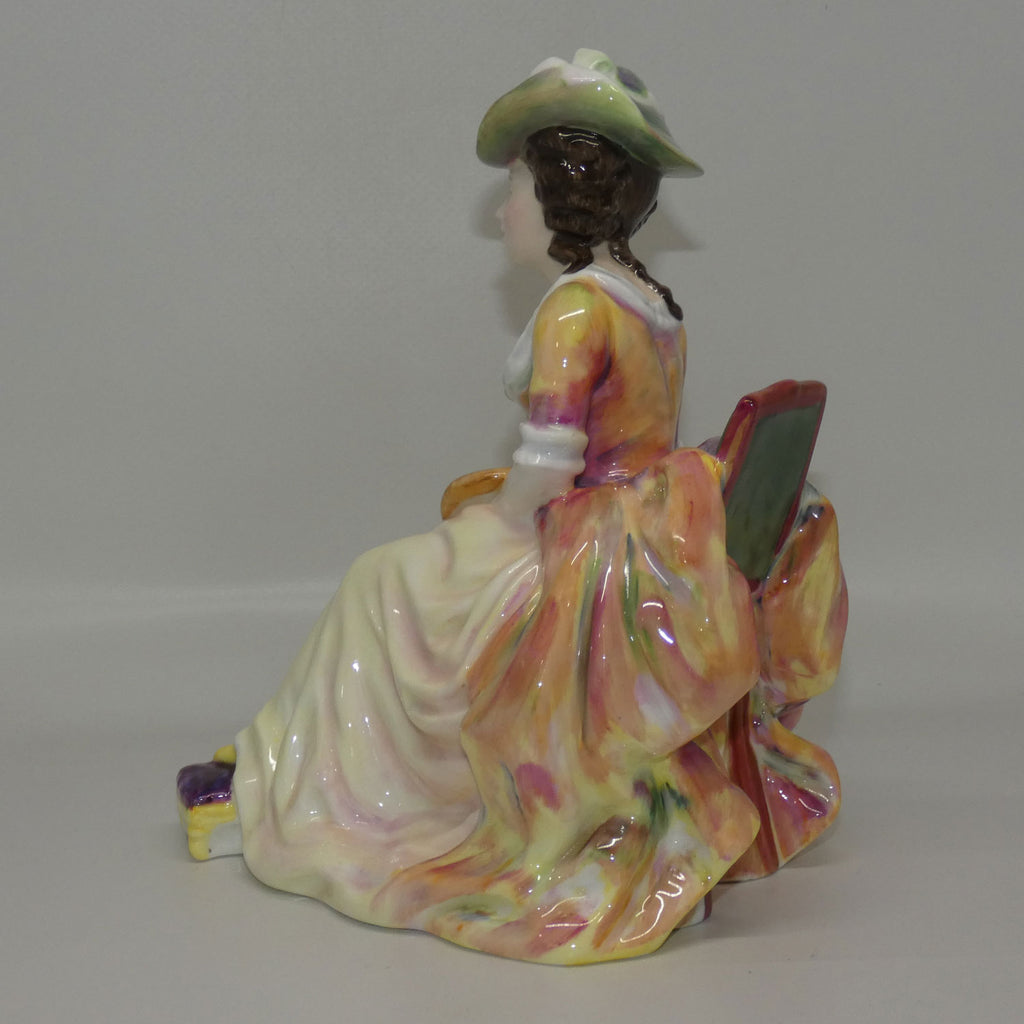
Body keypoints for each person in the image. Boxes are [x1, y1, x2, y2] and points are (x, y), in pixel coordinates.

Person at [177, 50, 846, 965]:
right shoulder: (653, 300)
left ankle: (305, 789)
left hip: (591, 547)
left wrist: (483, 525)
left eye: (517, 189)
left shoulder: (576, 310)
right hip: (651, 537)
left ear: (562, 198)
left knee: (383, 580)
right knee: (419, 566)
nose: (504, 212)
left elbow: (546, 469)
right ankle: (295, 769)